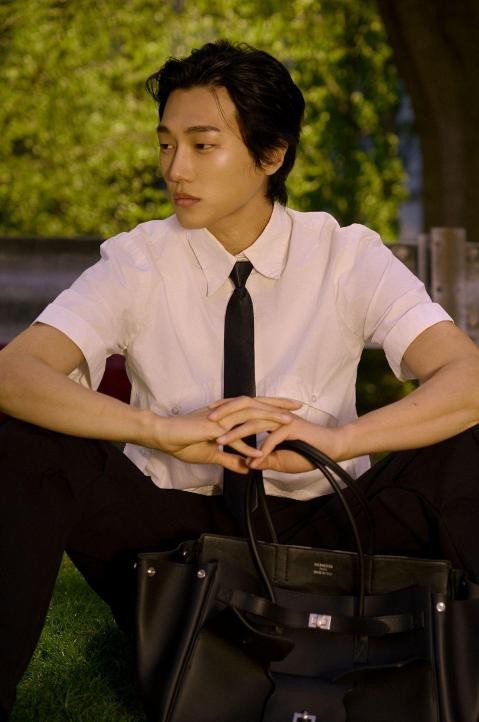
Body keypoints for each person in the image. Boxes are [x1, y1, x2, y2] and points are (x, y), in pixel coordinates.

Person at [1, 39, 479, 720]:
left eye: (202, 145)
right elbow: (14, 373)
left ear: (272, 154)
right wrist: (161, 431)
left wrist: (336, 442)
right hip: (172, 542)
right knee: (25, 437)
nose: (175, 168)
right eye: (166, 144)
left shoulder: (346, 255)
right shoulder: (138, 260)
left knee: (467, 445)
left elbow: (467, 377)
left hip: (332, 531)